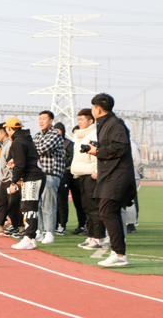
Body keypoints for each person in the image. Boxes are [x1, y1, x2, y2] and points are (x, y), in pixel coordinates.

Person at [87, 93, 136, 267]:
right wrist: (98, 148)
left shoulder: (114, 124)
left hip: (117, 175)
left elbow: (120, 146)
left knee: (107, 211)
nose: (92, 110)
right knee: (109, 212)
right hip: (110, 174)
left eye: (92, 108)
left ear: (98, 109)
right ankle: (118, 252)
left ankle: (119, 254)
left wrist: (98, 151)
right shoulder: (105, 123)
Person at [4, 117, 46, 250]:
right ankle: (31, 238)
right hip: (35, 176)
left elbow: (21, 164)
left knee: (29, 207)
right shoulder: (26, 139)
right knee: (29, 207)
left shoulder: (18, 142)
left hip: (32, 177)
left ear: (9, 129)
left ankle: (28, 237)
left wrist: (13, 182)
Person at [71, 109, 105, 250]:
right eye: (78, 119)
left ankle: (98, 239)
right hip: (81, 173)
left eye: (82, 119)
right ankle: (91, 236)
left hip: (92, 173)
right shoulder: (79, 136)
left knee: (94, 207)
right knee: (86, 207)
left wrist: (98, 170)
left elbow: (100, 154)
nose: (79, 122)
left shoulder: (95, 134)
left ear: (91, 121)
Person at [33, 110, 64, 244]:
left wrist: (35, 149)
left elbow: (42, 149)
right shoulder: (37, 135)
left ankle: (50, 232)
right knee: (38, 204)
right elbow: (32, 150)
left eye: (44, 118)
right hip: (39, 174)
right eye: (40, 118)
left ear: (51, 121)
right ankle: (39, 231)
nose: (41, 121)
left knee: (48, 204)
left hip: (51, 173)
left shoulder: (55, 134)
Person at [0, 123, 21, 237]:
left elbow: (12, 163)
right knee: (1, 204)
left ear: (4, 133)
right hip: (4, 179)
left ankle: (18, 226)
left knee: (12, 205)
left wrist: (13, 180)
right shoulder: (3, 145)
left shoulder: (10, 145)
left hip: (10, 180)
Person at [54, 122, 73, 236]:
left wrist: (62, 165)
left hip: (64, 174)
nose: (57, 132)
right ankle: (54, 224)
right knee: (53, 201)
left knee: (62, 201)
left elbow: (71, 158)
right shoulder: (52, 143)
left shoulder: (68, 143)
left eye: (59, 130)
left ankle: (62, 224)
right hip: (53, 174)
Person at [126, 139, 144, 233]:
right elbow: (138, 162)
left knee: (127, 200)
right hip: (133, 175)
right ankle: (131, 224)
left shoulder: (130, 143)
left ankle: (130, 224)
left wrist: (140, 172)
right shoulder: (132, 143)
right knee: (130, 200)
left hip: (128, 175)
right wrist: (140, 172)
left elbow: (138, 161)